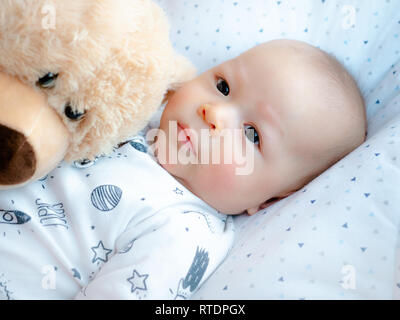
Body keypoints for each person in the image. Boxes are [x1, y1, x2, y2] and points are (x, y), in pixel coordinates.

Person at [0, 39, 366, 300]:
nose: (215, 114)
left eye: (252, 134)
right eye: (223, 86)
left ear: (269, 200)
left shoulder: (186, 230)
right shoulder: (133, 118)